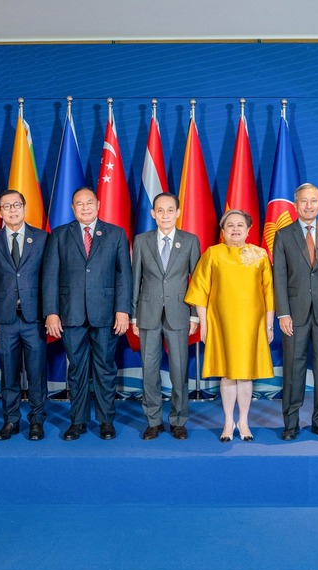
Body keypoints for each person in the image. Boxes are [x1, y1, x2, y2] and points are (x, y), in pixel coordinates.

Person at [43, 187, 132, 441]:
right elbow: (50, 276)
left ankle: (106, 421)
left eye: (89, 203)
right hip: (70, 315)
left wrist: (123, 310)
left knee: (105, 369)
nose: (85, 207)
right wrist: (51, 312)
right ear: (72, 208)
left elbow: (123, 276)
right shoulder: (59, 235)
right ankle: (78, 422)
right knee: (77, 370)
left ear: (98, 204)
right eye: (79, 204)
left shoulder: (116, 233)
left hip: (106, 315)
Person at [185, 209, 274, 442]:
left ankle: (243, 421)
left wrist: (269, 326)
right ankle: (227, 422)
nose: (235, 229)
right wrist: (204, 324)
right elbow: (200, 291)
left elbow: (269, 294)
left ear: (249, 229)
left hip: (252, 325)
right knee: (227, 375)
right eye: (230, 225)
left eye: (240, 225)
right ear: (223, 230)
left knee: (245, 375)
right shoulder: (212, 253)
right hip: (221, 324)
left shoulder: (260, 255)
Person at [272, 183, 318, 441]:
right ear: (296, 205)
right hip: (294, 314)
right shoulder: (283, 235)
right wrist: (283, 313)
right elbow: (279, 277)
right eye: (304, 201)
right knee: (293, 369)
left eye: (313, 201)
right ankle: (291, 423)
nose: (309, 205)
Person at [131, 193, 201, 440]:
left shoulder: (190, 241)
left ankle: (178, 420)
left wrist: (195, 315)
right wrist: (133, 316)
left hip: (179, 313)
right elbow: (135, 279)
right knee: (149, 369)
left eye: (170, 210)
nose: (165, 215)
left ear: (178, 213)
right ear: (153, 214)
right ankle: (153, 420)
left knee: (179, 369)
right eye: (160, 210)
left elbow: (197, 282)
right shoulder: (141, 241)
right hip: (147, 313)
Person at [0, 189, 49, 441]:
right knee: (8, 373)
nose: (13, 210)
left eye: (17, 205)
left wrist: (51, 313)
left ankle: (37, 421)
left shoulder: (42, 238)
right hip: (4, 320)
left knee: (36, 373)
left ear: (24, 207)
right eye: (7, 206)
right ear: (0, 212)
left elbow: (49, 279)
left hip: (35, 318)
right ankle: (10, 421)